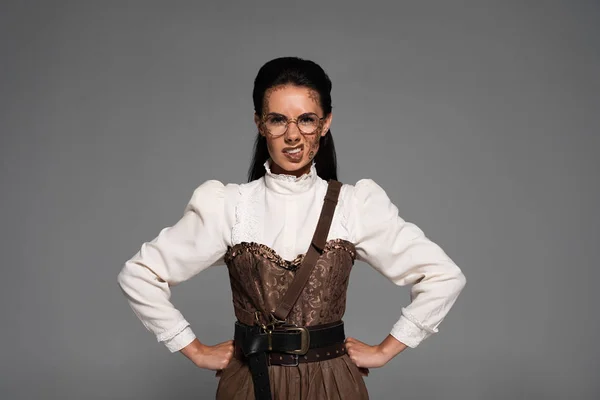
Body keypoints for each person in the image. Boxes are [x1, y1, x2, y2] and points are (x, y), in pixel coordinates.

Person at [117, 56, 466, 399]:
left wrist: (385, 350)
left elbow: (443, 276)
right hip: (250, 382)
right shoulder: (229, 205)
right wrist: (193, 349)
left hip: (333, 384)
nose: (293, 136)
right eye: (278, 120)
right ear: (259, 123)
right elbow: (139, 274)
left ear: (325, 123)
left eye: (307, 120)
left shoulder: (355, 205)